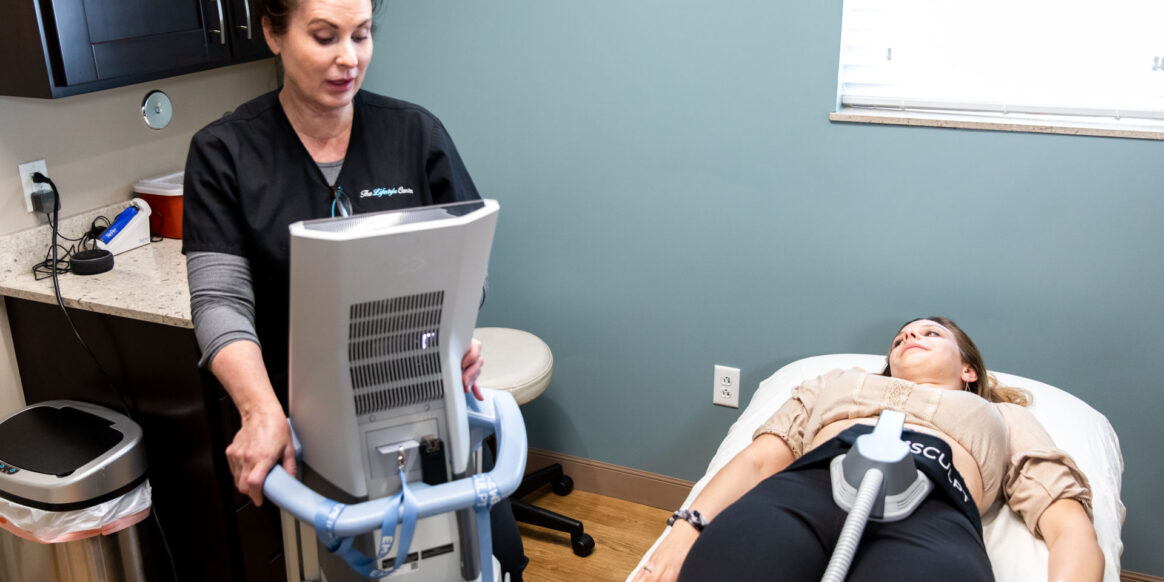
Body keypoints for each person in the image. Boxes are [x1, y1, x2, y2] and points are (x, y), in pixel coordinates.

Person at [181, 0, 526, 578]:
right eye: (324, 37)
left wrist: (454, 332)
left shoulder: (414, 134)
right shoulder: (225, 153)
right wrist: (259, 409)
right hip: (308, 423)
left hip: (424, 402)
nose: (349, 59)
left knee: (489, 557)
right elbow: (220, 301)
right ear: (272, 32)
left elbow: (470, 265)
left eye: (361, 36)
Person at [635, 317, 1103, 582]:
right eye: (900, 339)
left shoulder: (1003, 417)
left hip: (933, 509)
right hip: (806, 490)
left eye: (929, 334)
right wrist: (685, 530)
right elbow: (761, 459)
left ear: (968, 371)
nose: (909, 339)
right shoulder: (837, 385)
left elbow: (1069, 527)